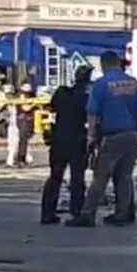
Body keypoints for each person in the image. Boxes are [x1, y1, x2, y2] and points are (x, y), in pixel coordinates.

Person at [67, 51, 137, 227]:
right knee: (125, 176)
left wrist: (91, 137)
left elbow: (93, 113)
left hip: (112, 136)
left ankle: (88, 214)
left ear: (103, 65)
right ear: (118, 63)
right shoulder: (133, 83)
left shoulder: (101, 84)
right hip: (131, 135)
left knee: (101, 177)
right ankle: (123, 213)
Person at [40, 66, 93, 224]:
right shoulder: (86, 97)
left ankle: (47, 212)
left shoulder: (61, 93)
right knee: (77, 177)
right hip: (77, 140)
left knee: (55, 176)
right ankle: (76, 211)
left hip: (59, 139)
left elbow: (52, 109)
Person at [12, 82, 37, 168]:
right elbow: (25, 108)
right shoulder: (21, 97)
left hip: (28, 120)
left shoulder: (31, 96)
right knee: (22, 140)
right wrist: (34, 104)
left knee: (25, 140)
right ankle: (20, 159)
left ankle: (23, 158)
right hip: (23, 120)